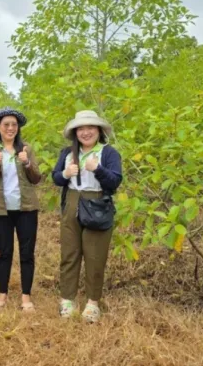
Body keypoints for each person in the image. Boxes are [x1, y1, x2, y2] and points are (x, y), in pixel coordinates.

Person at [51, 110, 122, 323]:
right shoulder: (67, 153)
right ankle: (67, 299)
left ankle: (92, 303)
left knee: (95, 255)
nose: (85, 132)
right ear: (75, 132)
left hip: (97, 204)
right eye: (81, 128)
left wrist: (98, 169)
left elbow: (115, 181)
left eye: (90, 127)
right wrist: (64, 174)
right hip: (72, 203)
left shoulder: (108, 153)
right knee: (69, 253)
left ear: (99, 130)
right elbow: (55, 177)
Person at [0, 107, 42, 313]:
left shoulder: (27, 149)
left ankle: (26, 297)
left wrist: (27, 163)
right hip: (1, 210)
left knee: (27, 253)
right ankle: (2, 296)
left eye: (14, 125)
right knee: (4, 252)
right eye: (5, 124)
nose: (10, 128)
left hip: (26, 209)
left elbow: (36, 178)